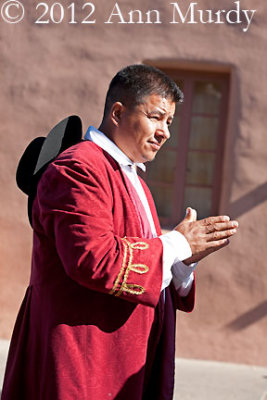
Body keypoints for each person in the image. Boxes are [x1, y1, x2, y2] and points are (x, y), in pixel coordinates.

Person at [2, 64, 238, 400]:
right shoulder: (78, 168)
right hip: (84, 356)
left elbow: (146, 260)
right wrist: (175, 242)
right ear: (117, 112)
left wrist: (183, 261)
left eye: (170, 122)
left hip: (127, 356)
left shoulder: (135, 179)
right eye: (156, 117)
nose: (166, 132)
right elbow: (92, 259)